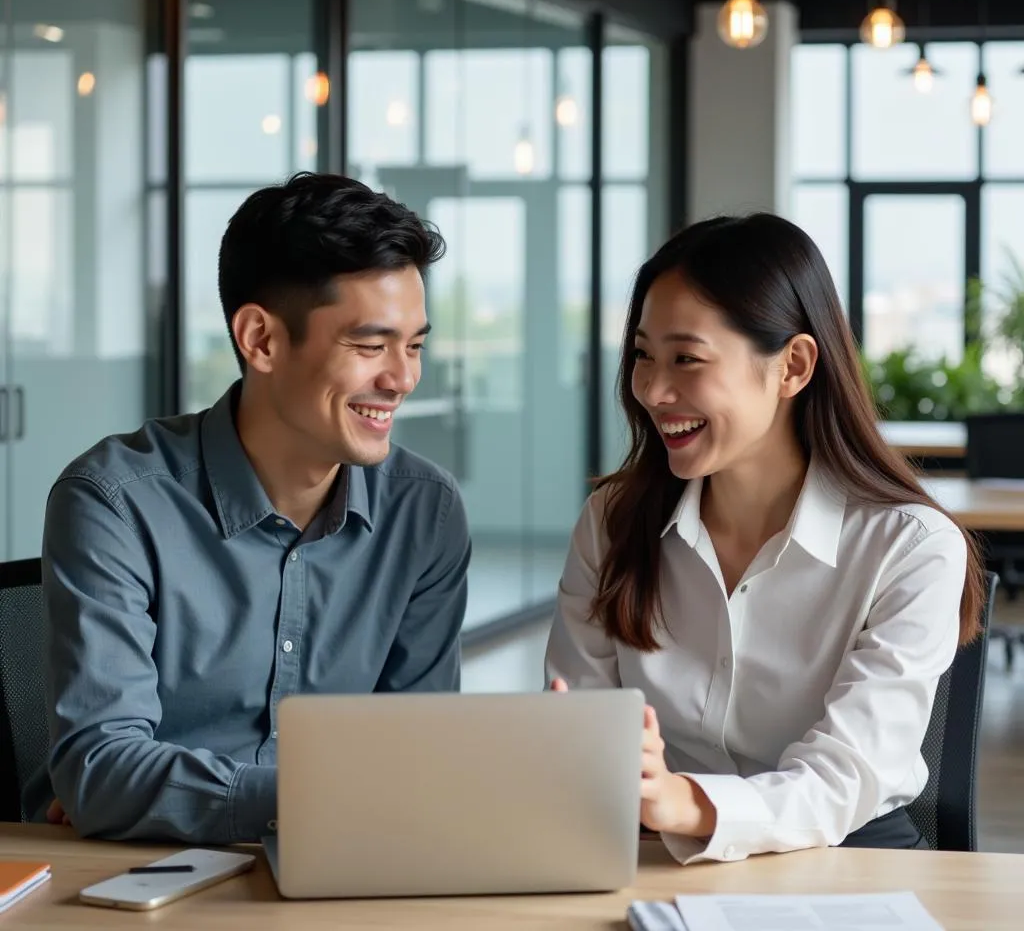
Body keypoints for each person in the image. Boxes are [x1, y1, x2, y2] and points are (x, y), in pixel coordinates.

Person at [26, 173, 470, 843]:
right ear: (260, 339)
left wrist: (161, 792)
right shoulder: (114, 503)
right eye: (371, 345)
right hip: (137, 882)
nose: (403, 378)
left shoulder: (425, 513)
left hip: (344, 866)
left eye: (414, 346)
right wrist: (333, 797)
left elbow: (421, 761)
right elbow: (102, 773)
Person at [546, 213, 985, 864]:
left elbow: (840, 781)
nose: (653, 391)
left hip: (847, 861)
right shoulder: (613, 521)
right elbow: (575, 738)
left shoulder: (911, 548)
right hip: (652, 856)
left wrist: (683, 800)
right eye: (643, 355)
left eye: (687, 359)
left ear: (794, 366)